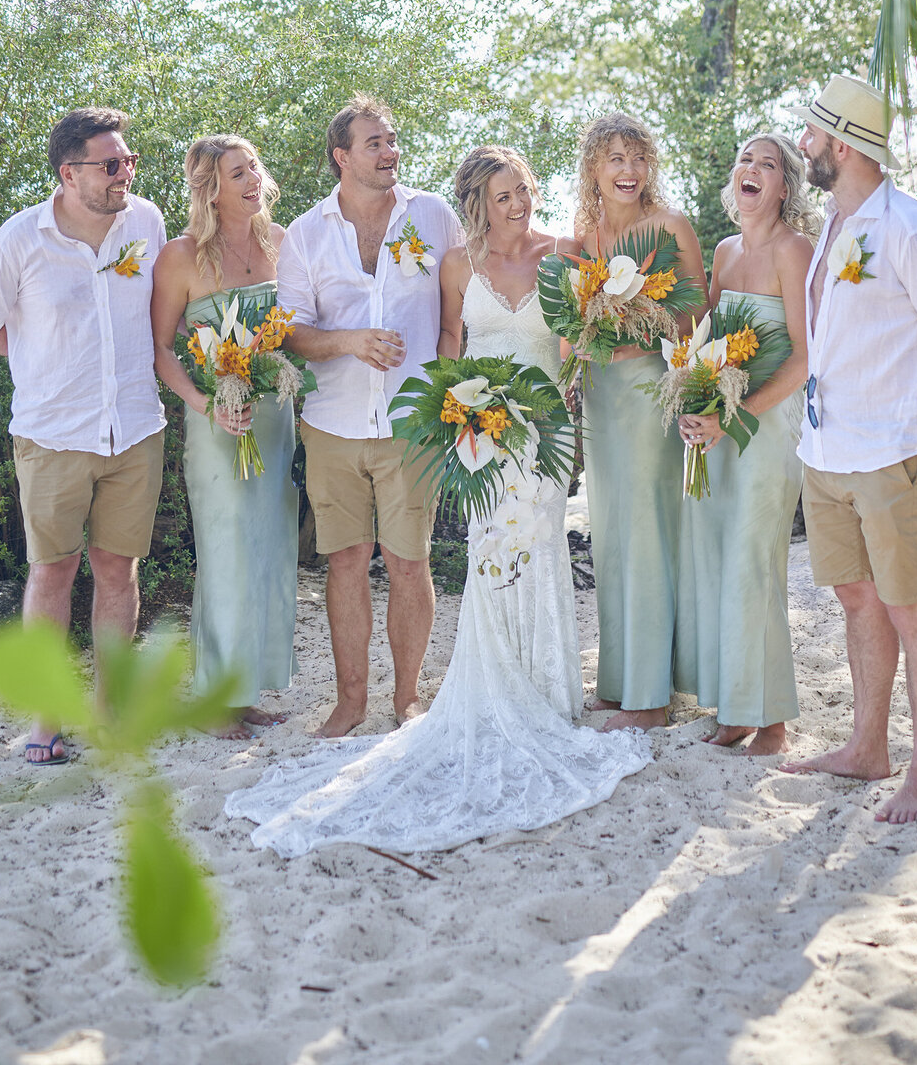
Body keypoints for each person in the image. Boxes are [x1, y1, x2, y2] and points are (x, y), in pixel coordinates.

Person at [224, 146, 649, 855]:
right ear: (478, 206)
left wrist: (582, 362)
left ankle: (548, 696)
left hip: (544, 432)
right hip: (480, 430)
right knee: (488, 555)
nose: (516, 204)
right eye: (501, 195)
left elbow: (580, 336)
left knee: (537, 548)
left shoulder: (567, 254)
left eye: (523, 190)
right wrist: (457, 413)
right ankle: (480, 690)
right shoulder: (458, 263)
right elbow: (451, 341)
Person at [782, 74, 917, 823]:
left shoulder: (910, 227)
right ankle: (867, 749)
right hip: (825, 450)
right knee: (856, 599)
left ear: (843, 144)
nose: (803, 145)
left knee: (909, 609)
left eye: (812, 134)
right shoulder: (833, 222)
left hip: (891, 452)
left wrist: (899, 399)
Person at [0, 108, 166, 765]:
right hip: (52, 435)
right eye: (110, 164)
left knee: (116, 571)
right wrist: (38, 363)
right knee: (52, 572)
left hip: (135, 427)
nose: (123, 174)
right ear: (66, 173)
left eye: (128, 160)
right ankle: (47, 719)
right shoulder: (21, 239)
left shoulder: (148, 223)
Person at [275, 95, 463, 737]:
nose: (390, 152)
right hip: (332, 425)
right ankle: (350, 702)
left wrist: (454, 395)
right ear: (342, 157)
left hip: (415, 423)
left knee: (410, 561)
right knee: (347, 562)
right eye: (375, 143)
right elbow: (291, 332)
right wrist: (350, 342)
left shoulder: (434, 216)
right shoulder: (305, 233)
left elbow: (458, 310)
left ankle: (406, 699)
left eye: (392, 140)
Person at [674, 134, 818, 756]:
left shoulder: (797, 251)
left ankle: (774, 722)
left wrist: (737, 416)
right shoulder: (724, 252)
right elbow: (706, 342)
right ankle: (733, 709)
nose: (752, 170)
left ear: (786, 186)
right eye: (745, 161)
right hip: (717, 433)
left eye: (769, 164)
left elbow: (805, 359)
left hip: (767, 430)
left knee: (755, 567)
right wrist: (692, 402)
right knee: (716, 563)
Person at [151, 135, 298, 739]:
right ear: (211, 187)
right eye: (238, 173)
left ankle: (245, 690)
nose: (253, 179)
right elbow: (160, 348)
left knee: (268, 549)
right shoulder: (179, 257)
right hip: (216, 425)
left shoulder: (283, 244)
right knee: (226, 552)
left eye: (256, 167)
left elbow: (299, 330)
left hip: (274, 421)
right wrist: (203, 402)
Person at [567, 114, 706, 732]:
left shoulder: (669, 226)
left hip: (651, 391)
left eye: (638, 158)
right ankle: (620, 678)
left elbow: (701, 311)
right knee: (612, 530)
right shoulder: (585, 235)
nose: (628, 170)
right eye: (615, 159)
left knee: (649, 528)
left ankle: (651, 697)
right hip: (600, 395)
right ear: (593, 168)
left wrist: (646, 321)